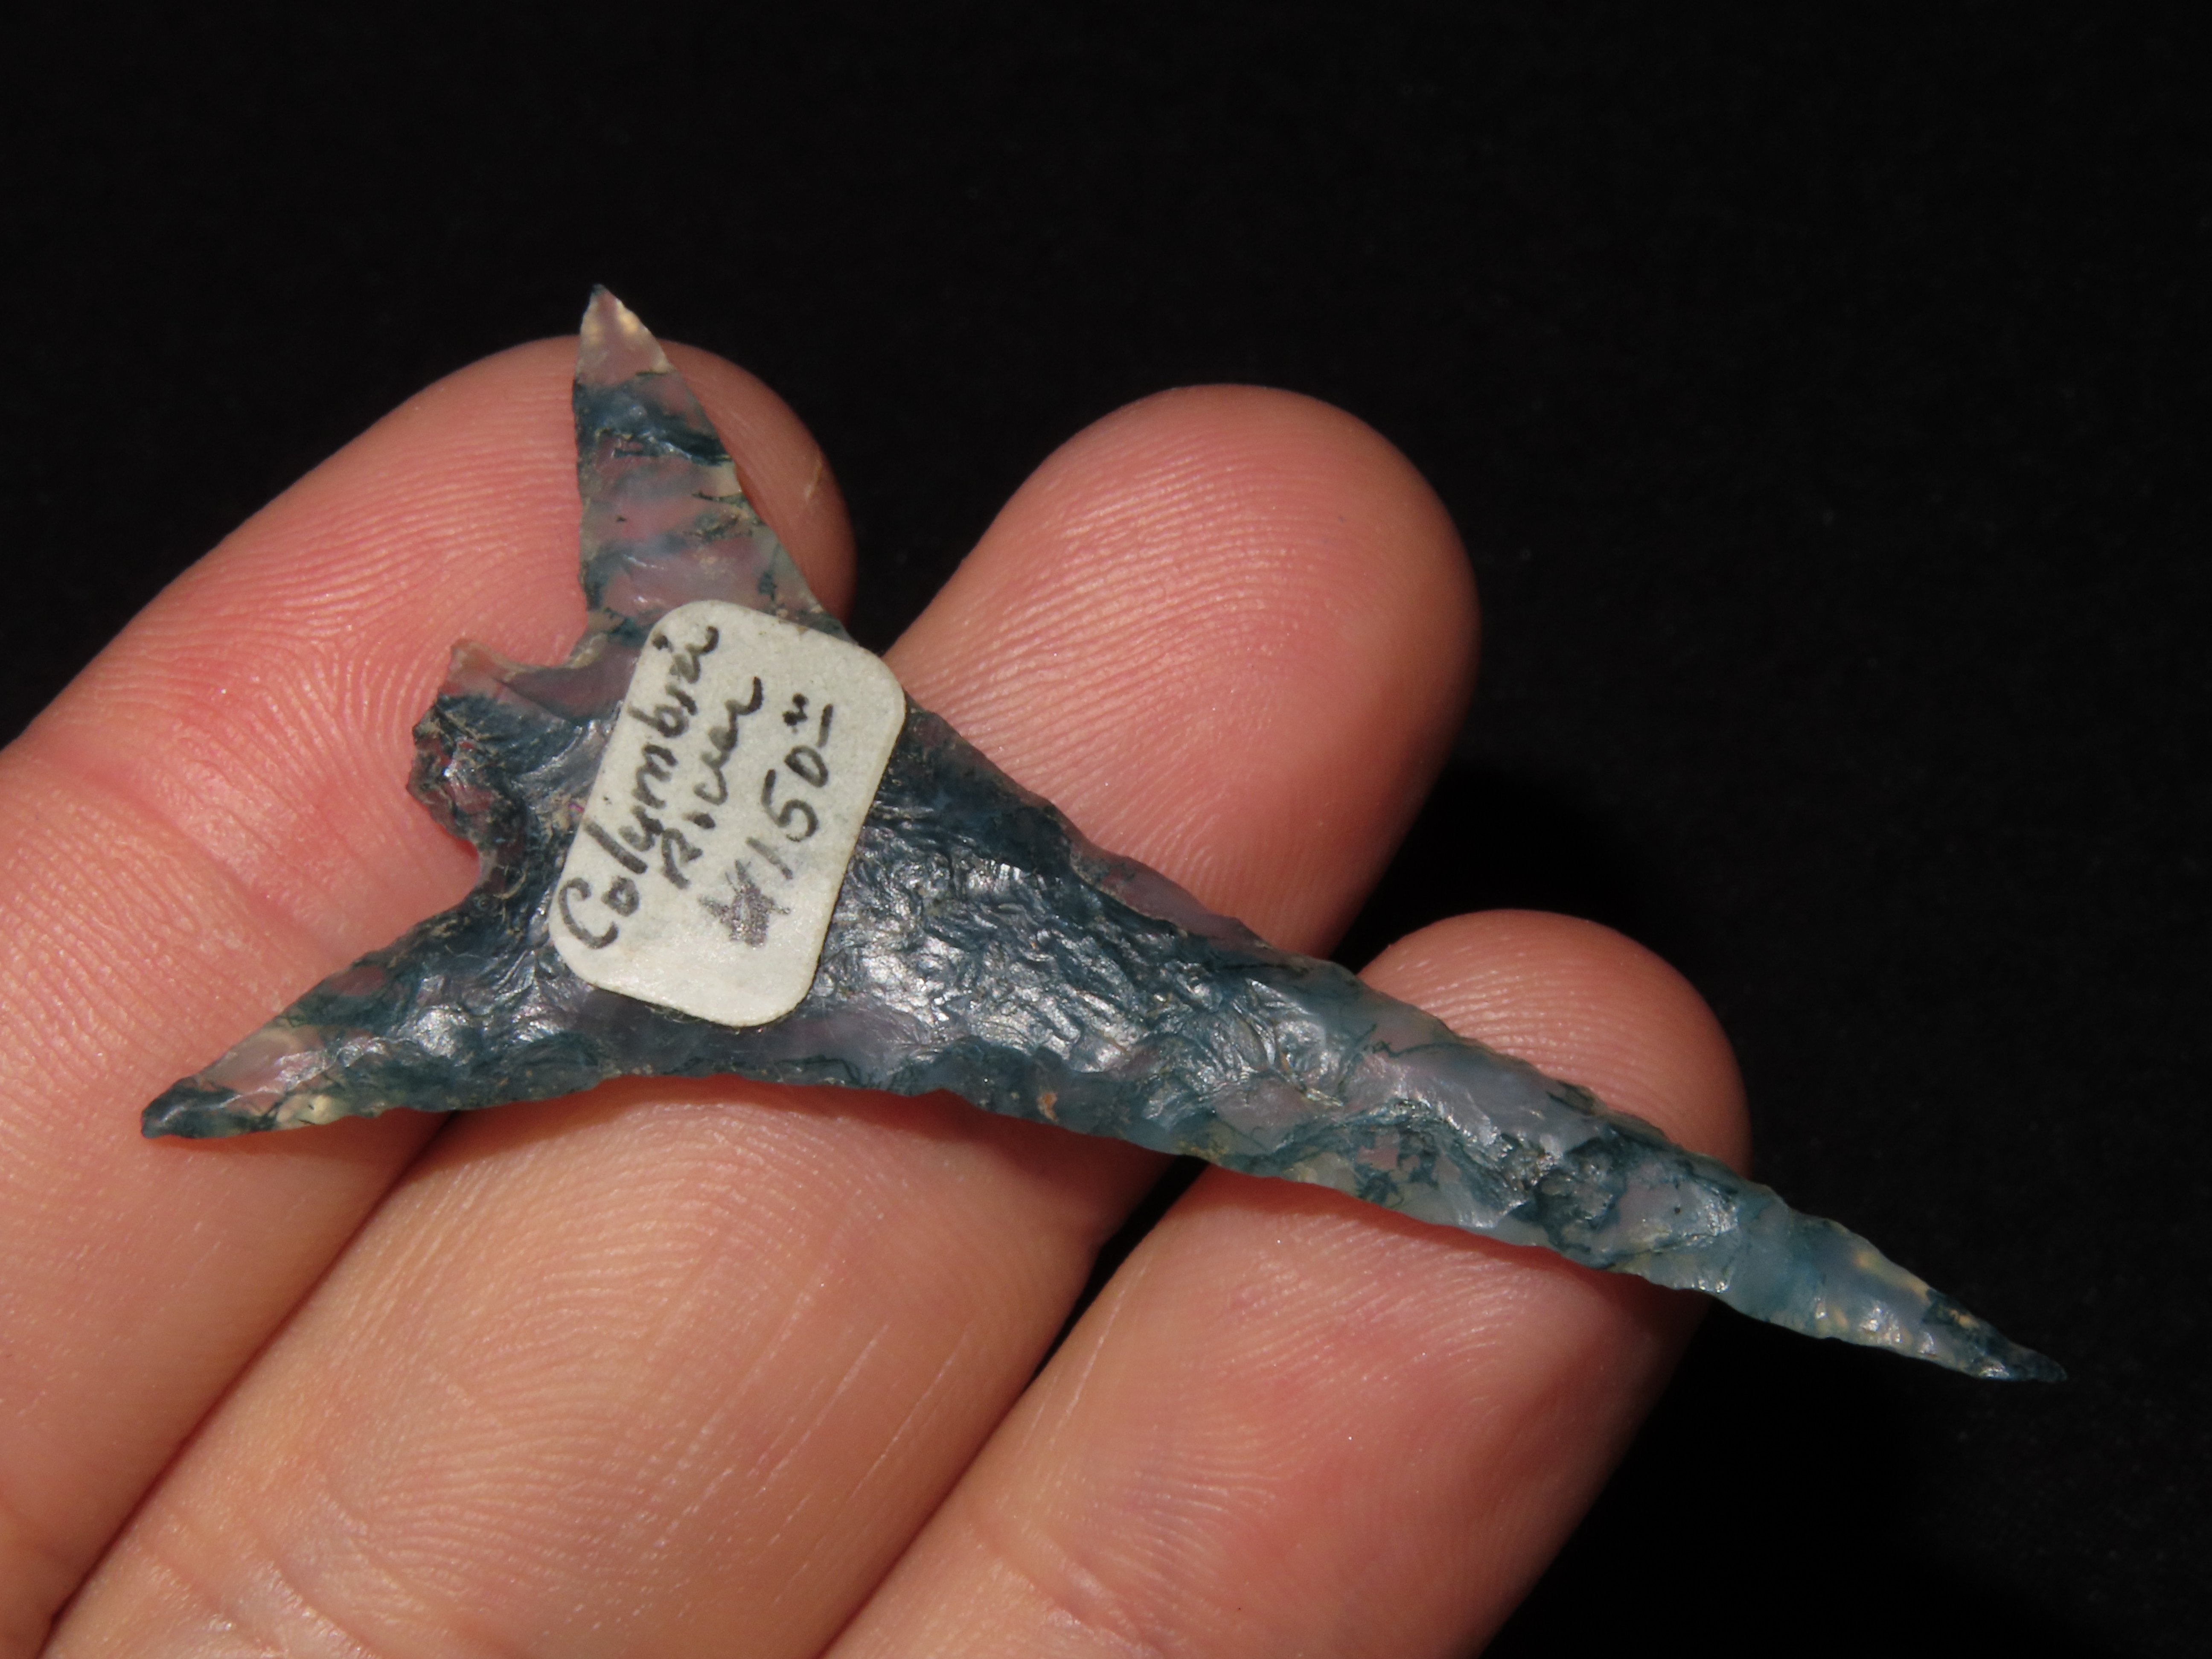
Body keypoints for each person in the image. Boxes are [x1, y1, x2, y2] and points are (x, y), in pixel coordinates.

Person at [0, 335, 1746, 1655]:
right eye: (461, 754)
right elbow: (358, 1044)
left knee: (1312, 1062)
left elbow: (650, 473)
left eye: (467, 736)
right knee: (1304, 1066)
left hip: (1042, 961)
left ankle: (1723, 1238)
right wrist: (258, 1080)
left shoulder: (687, 649)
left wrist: (627, 391)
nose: (467, 733)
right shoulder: (554, 936)